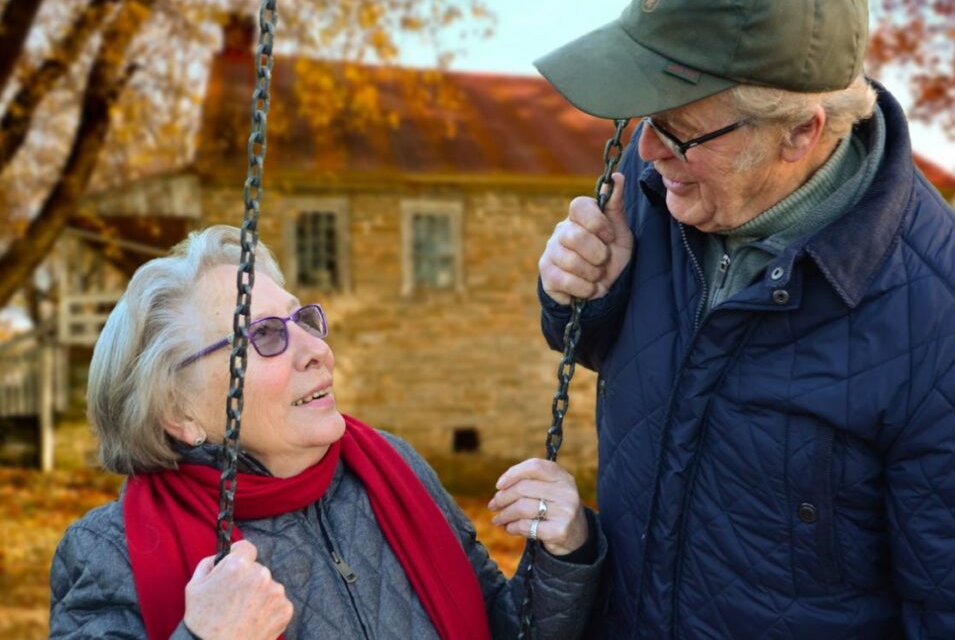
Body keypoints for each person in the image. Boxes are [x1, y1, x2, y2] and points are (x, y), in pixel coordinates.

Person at [535, 0, 955, 637]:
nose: (648, 148)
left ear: (801, 132)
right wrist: (580, 295)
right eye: (642, 116)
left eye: (679, 130)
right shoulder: (663, 186)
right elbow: (624, 361)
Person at [50, 225, 604, 640]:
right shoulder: (109, 552)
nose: (316, 350)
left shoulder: (392, 468)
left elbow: (503, 630)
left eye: (303, 321)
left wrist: (561, 553)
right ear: (179, 412)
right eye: (264, 335)